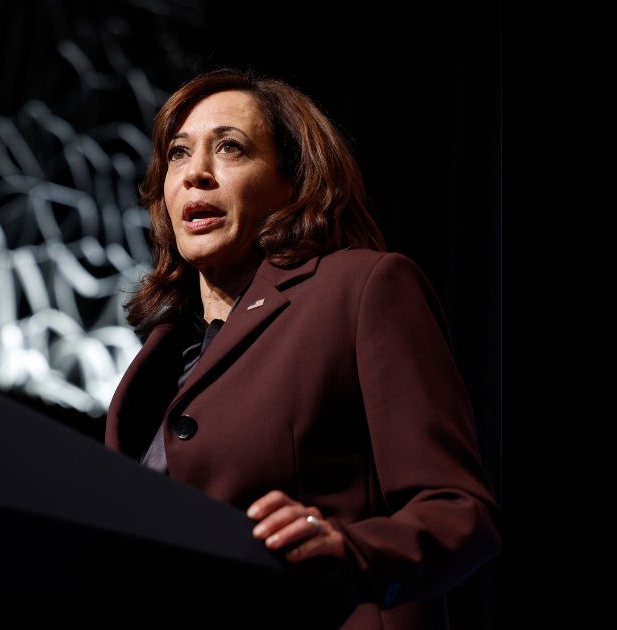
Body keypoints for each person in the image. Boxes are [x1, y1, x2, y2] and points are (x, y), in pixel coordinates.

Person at [104, 68, 501, 629]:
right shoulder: (162, 357)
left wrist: (350, 550)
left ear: (293, 183)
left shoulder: (362, 289)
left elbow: (459, 513)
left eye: (231, 149)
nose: (196, 174)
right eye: (178, 154)